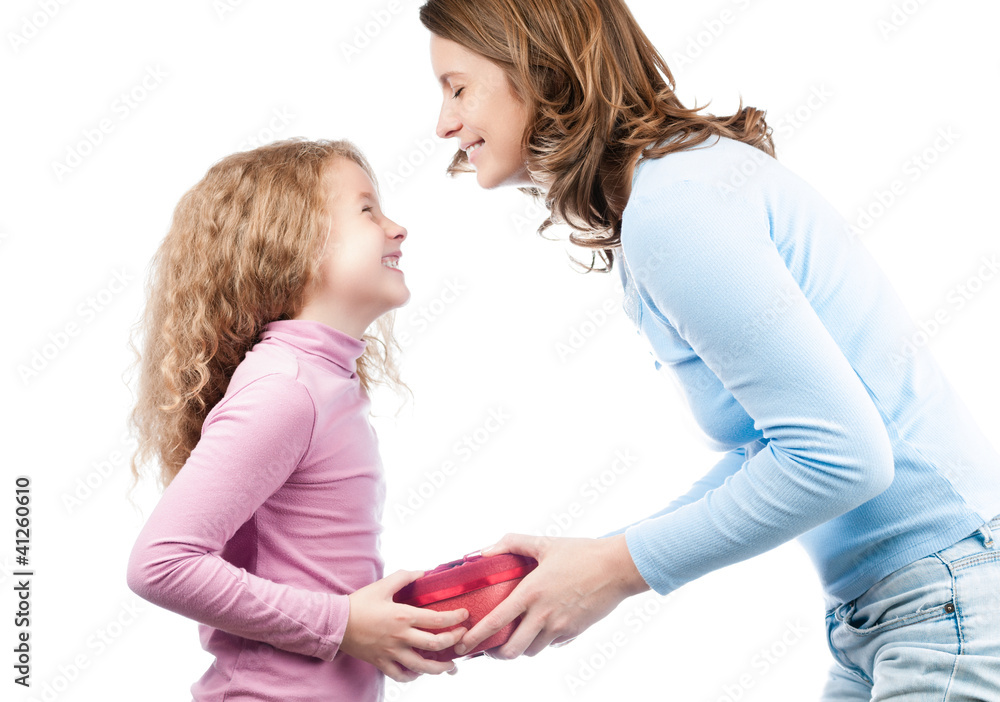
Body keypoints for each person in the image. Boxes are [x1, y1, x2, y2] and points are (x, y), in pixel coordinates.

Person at [418, 0, 1000, 697]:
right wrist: (596, 562)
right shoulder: (674, 190)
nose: (445, 124)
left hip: (947, 598)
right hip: (902, 603)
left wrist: (614, 571)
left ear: (538, 70)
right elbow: (779, 449)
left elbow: (844, 458)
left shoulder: (675, 206)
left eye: (457, 87)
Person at [126, 138, 468, 702]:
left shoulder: (322, 379)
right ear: (293, 244)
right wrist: (344, 625)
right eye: (367, 210)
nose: (396, 227)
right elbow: (160, 563)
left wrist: (387, 627)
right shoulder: (286, 388)